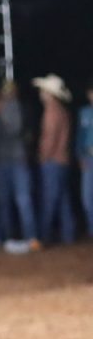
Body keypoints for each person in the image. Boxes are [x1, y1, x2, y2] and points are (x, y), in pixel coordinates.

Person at [0, 77, 39, 251]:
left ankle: (31, 237)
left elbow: (15, 129)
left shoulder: (12, 105)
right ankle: (6, 239)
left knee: (23, 199)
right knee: (2, 202)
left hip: (17, 159)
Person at [33, 73, 76, 244]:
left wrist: (42, 156)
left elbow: (49, 139)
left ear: (49, 93)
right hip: (63, 160)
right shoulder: (63, 111)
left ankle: (43, 236)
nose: (41, 94)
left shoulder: (51, 112)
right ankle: (68, 234)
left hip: (52, 161)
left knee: (49, 199)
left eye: (43, 91)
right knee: (63, 199)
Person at [77, 79, 93, 237]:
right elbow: (80, 137)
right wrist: (80, 155)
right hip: (89, 158)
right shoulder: (84, 113)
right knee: (87, 199)